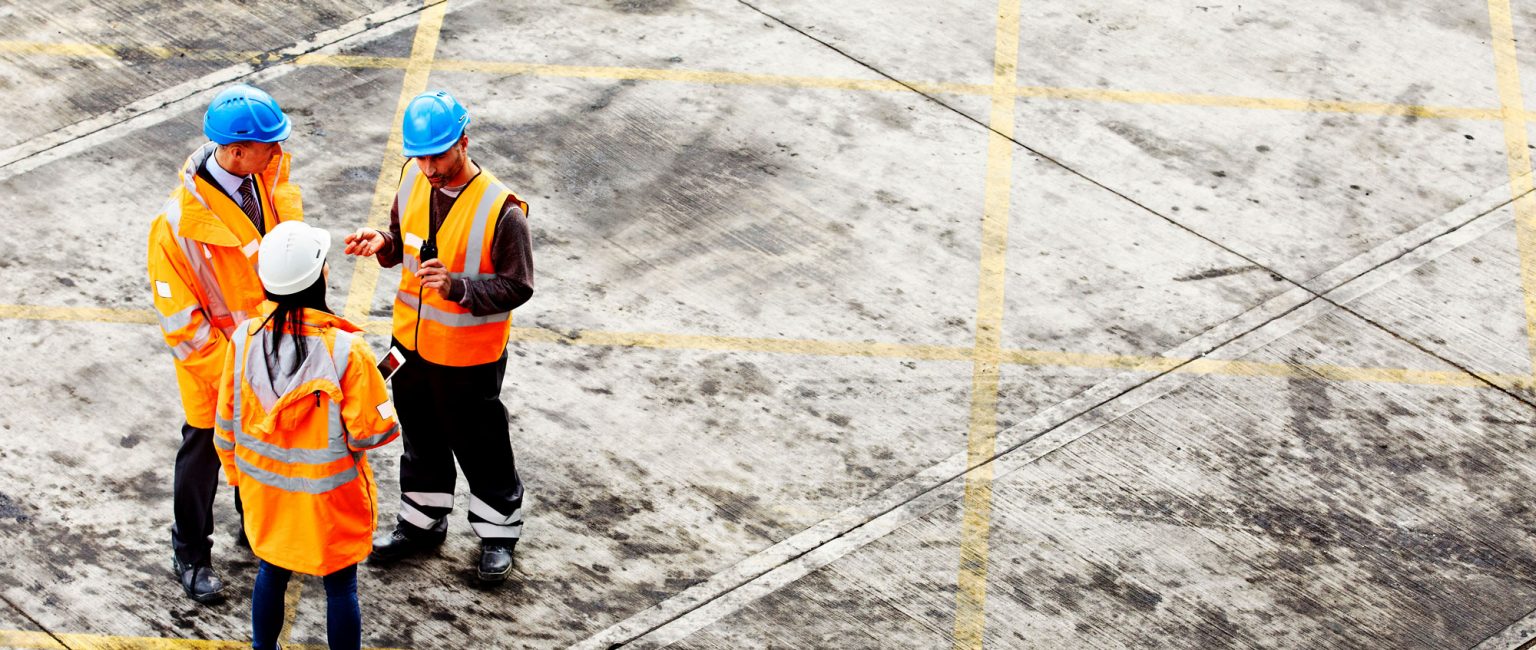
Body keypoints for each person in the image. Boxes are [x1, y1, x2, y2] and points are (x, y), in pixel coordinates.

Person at [342, 89, 533, 584]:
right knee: (420, 439)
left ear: (464, 143)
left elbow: (519, 285)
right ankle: (422, 525)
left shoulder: (502, 210)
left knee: (481, 444)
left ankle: (497, 535)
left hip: (468, 355)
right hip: (410, 345)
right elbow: (397, 238)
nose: (428, 167)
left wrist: (458, 287)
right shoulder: (412, 179)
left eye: (438, 155)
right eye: (420, 156)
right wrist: (380, 243)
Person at [147, 83, 303, 603]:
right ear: (236, 150)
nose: (278, 151)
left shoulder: (261, 181)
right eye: (268, 144)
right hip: (218, 370)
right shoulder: (176, 228)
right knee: (203, 456)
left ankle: (253, 527)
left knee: (258, 453)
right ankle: (190, 552)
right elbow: (182, 326)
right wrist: (238, 373)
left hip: (268, 355)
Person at [214, 220, 401, 650]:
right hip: (329, 503)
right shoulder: (345, 351)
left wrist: (239, 479)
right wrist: (373, 386)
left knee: (271, 571)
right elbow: (373, 434)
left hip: (266, 494)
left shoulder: (244, 339)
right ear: (320, 276)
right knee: (341, 589)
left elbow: (225, 423)